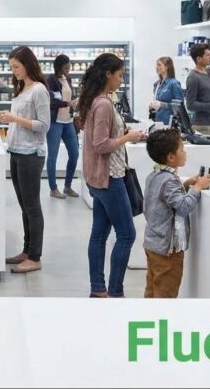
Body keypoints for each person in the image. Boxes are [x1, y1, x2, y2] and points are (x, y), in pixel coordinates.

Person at [78, 53, 148, 297]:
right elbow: (100, 145)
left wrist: (125, 132)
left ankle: (98, 289)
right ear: (108, 74)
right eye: (119, 75)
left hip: (98, 177)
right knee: (127, 234)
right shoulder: (104, 104)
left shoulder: (96, 100)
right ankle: (116, 292)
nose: (121, 80)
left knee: (99, 234)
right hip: (109, 178)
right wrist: (127, 137)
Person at [142, 128, 210, 298]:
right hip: (167, 250)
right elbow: (183, 207)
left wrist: (187, 183)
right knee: (166, 293)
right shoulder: (170, 181)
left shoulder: (155, 175)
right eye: (182, 149)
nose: (185, 152)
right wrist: (197, 188)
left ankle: (148, 320)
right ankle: (162, 322)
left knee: (152, 289)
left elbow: (166, 198)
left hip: (153, 243)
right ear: (171, 157)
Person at [0, 46, 50, 274]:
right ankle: (27, 250)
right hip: (17, 151)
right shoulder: (21, 88)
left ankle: (35, 256)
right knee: (24, 206)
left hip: (31, 154)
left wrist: (15, 119)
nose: (14, 71)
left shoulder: (39, 90)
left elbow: (43, 125)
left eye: (16, 67)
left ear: (28, 64)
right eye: (12, 67)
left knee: (32, 206)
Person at [45, 54, 79, 199]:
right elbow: (50, 102)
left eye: (69, 66)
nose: (68, 69)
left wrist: (74, 104)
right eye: (66, 67)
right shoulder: (50, 80)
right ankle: (53, 188)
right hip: (55, 122)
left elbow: (68, 98)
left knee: (75, 154)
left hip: (68, 121)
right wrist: (67, 103)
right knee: (53, 156)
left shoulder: (68, 79)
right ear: (59, 67)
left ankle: (68, 186)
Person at [149, 57, 184, 126]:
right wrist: (152, 106)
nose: (156, 67)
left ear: (167, 67)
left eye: (159, 65)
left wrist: (162, 105)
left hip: (169, 122)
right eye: (156, 65)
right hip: (158, 121)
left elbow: (179, 107)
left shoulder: (174, 83)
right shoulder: (157, 84)